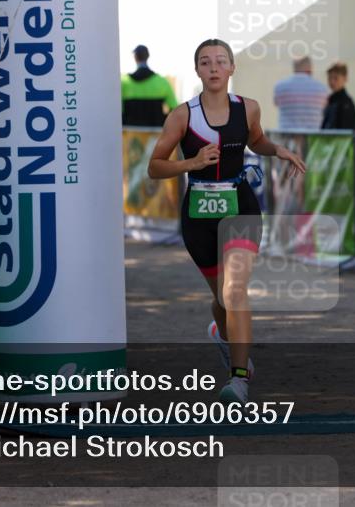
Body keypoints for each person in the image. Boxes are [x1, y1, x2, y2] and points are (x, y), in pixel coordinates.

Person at [148, 38, 305, 404]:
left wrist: (277, 150)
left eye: (221, 61)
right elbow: (155, 167)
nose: (214, 67)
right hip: (199, 215)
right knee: (221, 298)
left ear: (232, 68)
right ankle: (223, 332)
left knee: (235, 291)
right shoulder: (182, 115)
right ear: (198, 70)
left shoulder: (248, 108)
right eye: (206, 62)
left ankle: (238, 380)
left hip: (240, 207)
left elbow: (258, 139)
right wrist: (192, 163)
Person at [121, 44, 178, 127]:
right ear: (148, 56)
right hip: (155, 133)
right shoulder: (162, 82)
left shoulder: (124, 82)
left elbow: (116, 110)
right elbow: (174, 109)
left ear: (135, 57)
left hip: (130, 133)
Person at [272, 55, 329, 130]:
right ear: (310, 69)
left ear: (294, 68)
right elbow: (326, 108)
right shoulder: (322, 89)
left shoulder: (280, 87)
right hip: (312, 136)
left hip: (287, 136)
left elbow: (276, 103)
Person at [321, 61, 355, 131]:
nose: (332, 82)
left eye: (336, 78)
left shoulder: (346, 103)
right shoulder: (331, 100)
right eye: (329, 78)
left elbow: (346, 131)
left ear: (345, 78)